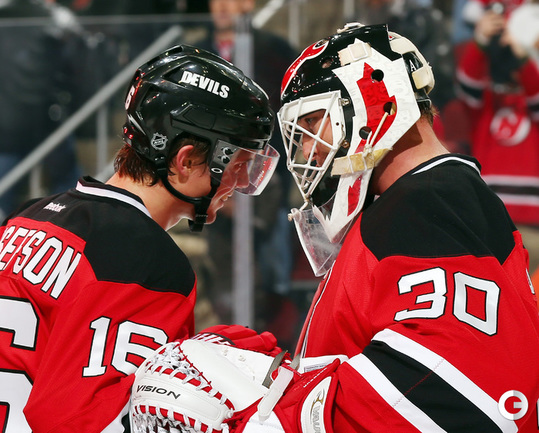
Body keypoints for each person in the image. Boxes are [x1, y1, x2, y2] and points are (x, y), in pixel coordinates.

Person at [131, 23, 539, 432]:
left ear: (376, 103)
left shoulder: (430, 202)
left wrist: (275, 421)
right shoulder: (410, 202)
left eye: (312, 124)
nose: (306, 150)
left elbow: (462, 386)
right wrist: (276, 376)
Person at [0, 44, 279, 432]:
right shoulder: (147, 261)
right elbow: (90, 422)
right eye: (239, 164)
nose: (241, 182)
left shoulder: (25, 217)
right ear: (185, 160)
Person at [190, 0, 300, 348]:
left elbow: (288, 117)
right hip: (211, 177)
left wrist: (277, 173)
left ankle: (272, 342)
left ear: (249, 4)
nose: (223, 7)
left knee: (271, 274)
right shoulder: (195, 54)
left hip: (267, 178)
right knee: (222, 268)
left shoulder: (275, 51)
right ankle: (233, 339)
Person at [455, 1, 539, 272]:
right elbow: (467, 84)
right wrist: (480, 43)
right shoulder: (486, 103)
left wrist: (523, 56)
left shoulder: (532, 102)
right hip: (488, 221)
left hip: (532, 225)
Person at [0, 0, 85, 221]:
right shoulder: (56, 20)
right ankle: (66, 222)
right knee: (68, 183)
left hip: (10, 123)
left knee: (5, 188)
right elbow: (76, 69)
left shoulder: (10, 15)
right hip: (44, 118)